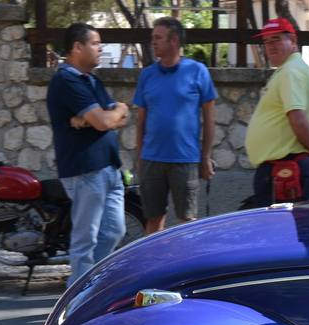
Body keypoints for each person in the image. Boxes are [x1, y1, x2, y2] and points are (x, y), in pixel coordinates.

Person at [46, 23, 129, 286]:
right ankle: (78, 295)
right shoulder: (67, 80)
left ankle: (90, 284)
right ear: (77, 47)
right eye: (95, 43)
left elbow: (120, 118)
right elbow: (105, 121)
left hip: (108, 168)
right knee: (86, 239)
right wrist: (114, 112)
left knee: (114, 231)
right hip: (85, 170)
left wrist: (107, 115)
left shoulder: (91, 80)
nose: (100, 48)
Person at [132, 16, 218, 234]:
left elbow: (209, 119)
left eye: (158, 37)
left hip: (185, 159)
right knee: (153, 220)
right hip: (152, 159)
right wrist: (139, 158)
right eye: (153, 38)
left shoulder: (198, 71)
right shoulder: (147, 75)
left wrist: (205, 157)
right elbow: (141, 121)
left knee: (187, 222)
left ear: (174, 40)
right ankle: (155, 257)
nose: (153, 42)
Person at [243, 18, 309, 204]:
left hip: (286, 170)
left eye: (276, 39)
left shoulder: (291, 71)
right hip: (288, 166)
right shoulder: (295, 69)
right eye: (266, 41)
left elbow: (297, 117)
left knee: (284, 223)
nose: (270, 46)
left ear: (292, 40)